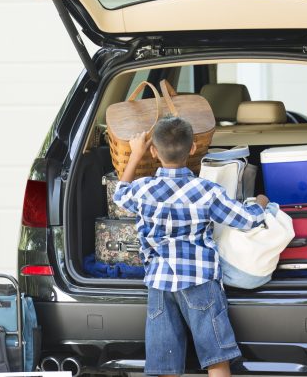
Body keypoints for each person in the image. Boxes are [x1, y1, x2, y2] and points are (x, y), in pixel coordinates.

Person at [113, 116, 269, 377]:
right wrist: (262, 202)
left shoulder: (143, 189)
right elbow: (247, 219)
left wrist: (135, 155)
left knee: (165, 363)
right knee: (216, 357)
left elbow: (120, 195)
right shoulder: (207, 190)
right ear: (194, 148)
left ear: (154, 150)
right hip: (200, 280)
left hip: (160, 281)